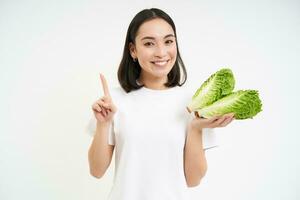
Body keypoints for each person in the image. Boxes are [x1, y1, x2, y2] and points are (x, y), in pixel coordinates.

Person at [87, 8, 234, 200]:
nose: (161, 52)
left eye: (168, 41)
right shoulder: (113, 101)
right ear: (133, 50)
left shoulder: (193, 104)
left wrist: (196, 128)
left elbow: (193, 179)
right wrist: (103, 123)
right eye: (149, 43)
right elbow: (97, 171)